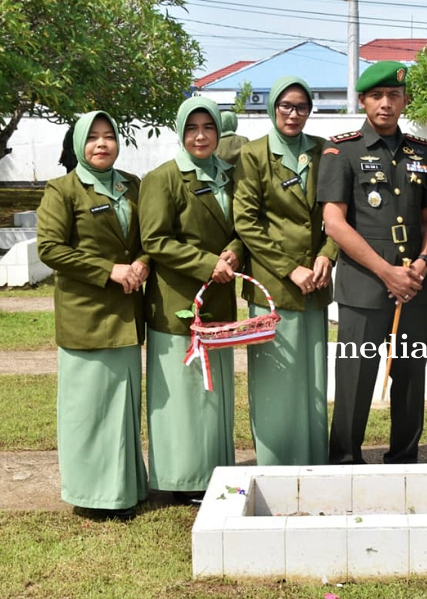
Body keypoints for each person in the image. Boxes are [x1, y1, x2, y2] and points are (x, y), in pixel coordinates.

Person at [318, 60, 427, 465]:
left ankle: (405, 460)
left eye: (393, 95)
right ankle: (346, 461)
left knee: (409, 378)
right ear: (363, 100)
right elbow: (334, 224)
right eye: (376, 96)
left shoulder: (421, 151)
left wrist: (422, 262)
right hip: (364, 286)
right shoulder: (341, 149)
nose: (385, 104)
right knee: (355, 379)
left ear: (405, 100)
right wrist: (387, 272)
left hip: (413, 285)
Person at [37, 111, 147, 519]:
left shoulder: (131, 186)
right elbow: (49, 248)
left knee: (121, 408)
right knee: (88, 409)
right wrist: (109, 271)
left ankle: (124, 489)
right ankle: (90, 495)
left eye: (109, 136)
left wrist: (143, 261)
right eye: (93, 138)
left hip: (127, 313)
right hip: (86, 315)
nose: (101, 144)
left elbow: (147, 237)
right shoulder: (63, 189)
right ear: (79, 144)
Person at [139, 97, 244, 503]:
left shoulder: (229, 175)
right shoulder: (163, 178)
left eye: (208, 128)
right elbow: (155, 240)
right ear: (181, 133)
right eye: (192, 129)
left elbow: (242, 224)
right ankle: (178, 480)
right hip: (177, 302)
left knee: (213, 391)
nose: (201, 136)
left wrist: (234, 251)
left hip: (219, 299)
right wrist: (207, 264)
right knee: (183, 395)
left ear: (219, 132)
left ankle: (213, 473)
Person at [233, 76, 337, 465]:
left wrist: (328, 254)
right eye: (286, 106)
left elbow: (338, 213)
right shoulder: (254, 154)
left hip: (316, 283)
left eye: (302, 107)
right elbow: (246, 222)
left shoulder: (324, 151)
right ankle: (276, 460)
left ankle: (312, 457)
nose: (294, 115)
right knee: (276, 378)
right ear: (272, 107)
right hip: (273, 284)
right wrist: (290, 268)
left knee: (311, 377)